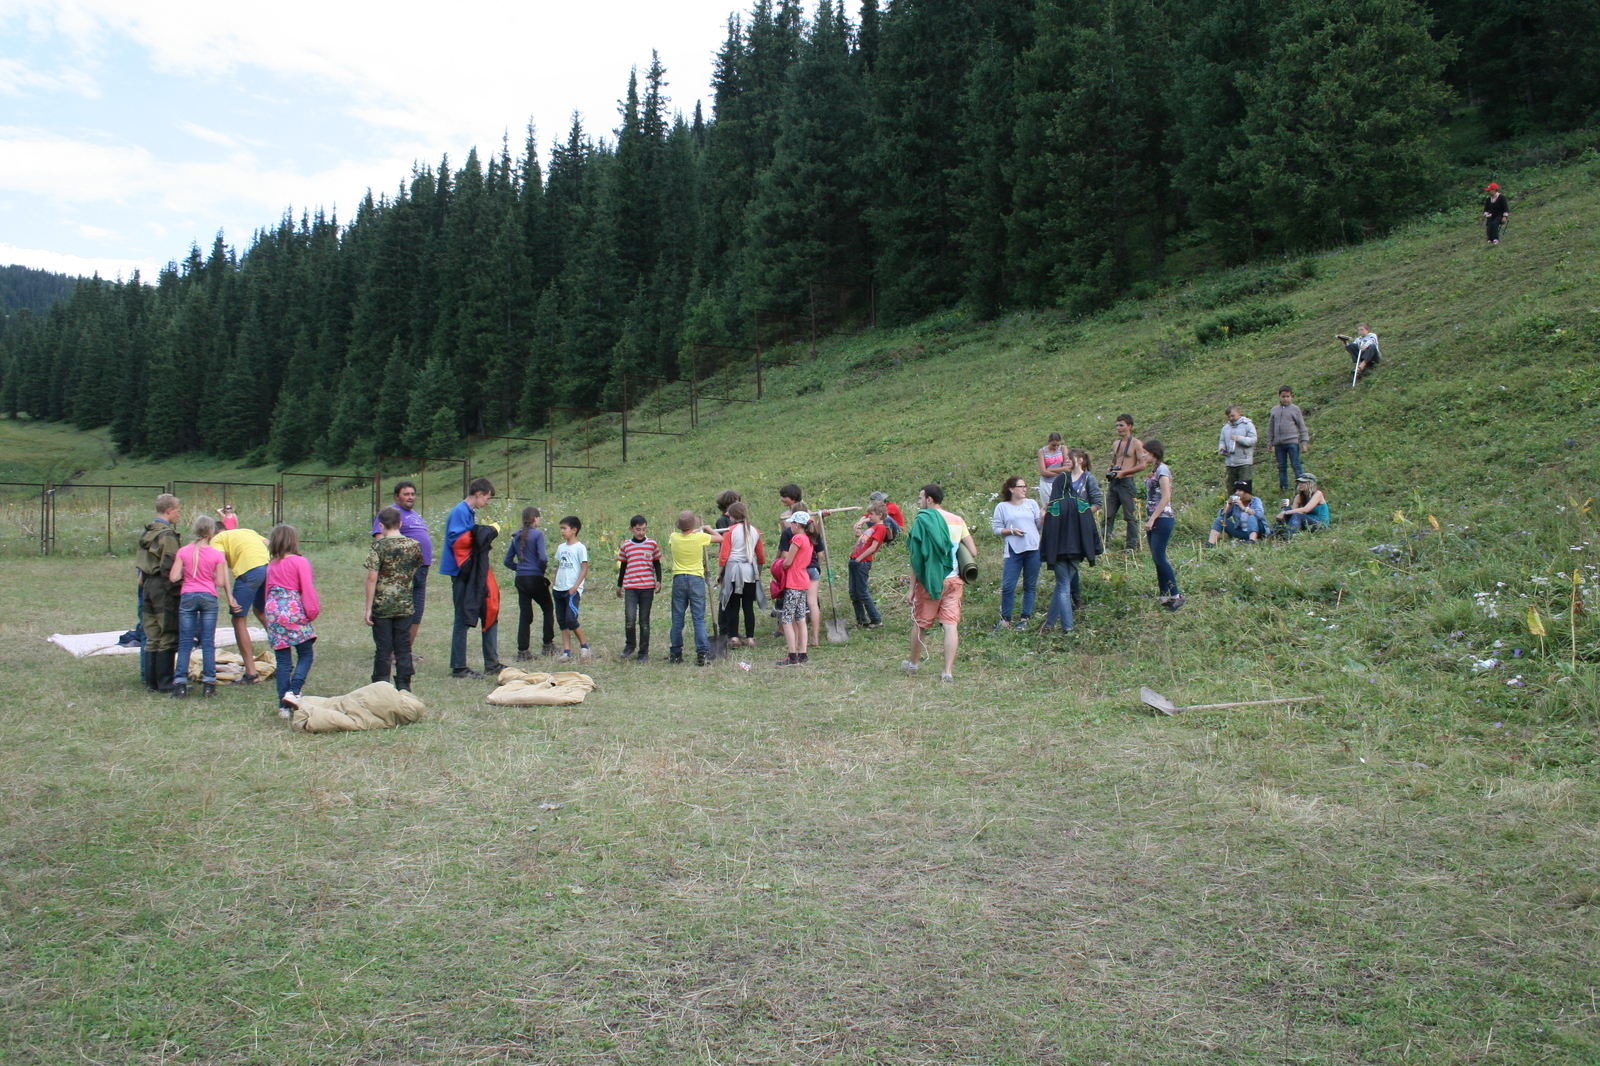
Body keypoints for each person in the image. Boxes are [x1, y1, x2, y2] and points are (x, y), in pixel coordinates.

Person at [903, 484, 977, 681]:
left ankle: (913, 666)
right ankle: (947, 672)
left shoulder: (922, 520)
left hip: (930, 581)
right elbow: (973, 551)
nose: (919, 503)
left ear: (929, 500)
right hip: (954, 580)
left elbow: (917, 559)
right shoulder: (957, 520)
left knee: (920, 623)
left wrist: (911, 589)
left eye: (920, 498)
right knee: (950, 625)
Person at [167, 514, 238, 699]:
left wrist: (186, 571)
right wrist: (211, 575)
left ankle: (180, 683)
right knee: (208, 642)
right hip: (208, 596)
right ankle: (209, 684)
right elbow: (221, 581)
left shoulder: (183, 551)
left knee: (185, 642)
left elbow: (173, 577)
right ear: (211, 532)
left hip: (188, 595)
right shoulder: (216, 554)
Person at [373, 481, 434, 658]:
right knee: (400, 611)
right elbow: (380, 540)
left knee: (417, 610)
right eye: (406, 494)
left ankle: (405, 651)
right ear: (396, 496)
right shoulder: (389, 514)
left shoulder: (414, 514)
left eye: (413, 494)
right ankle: (391, 652)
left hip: (422, 568)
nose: (410, 497)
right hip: (404, 569)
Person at [365, 505, 423, 691]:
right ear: (400, 523)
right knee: (403, 646)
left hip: (382, 606)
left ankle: (381, 687)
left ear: (381, 526)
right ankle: (404, 686)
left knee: (383, 647)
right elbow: (414, 570)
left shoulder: (378, 546)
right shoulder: (413, 545)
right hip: (404, 604)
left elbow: (372, 577)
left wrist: (368, 608)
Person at [1038, 461, 1099, 634]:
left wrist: (1046, 554)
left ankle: (1068, 628)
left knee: (1063, 587)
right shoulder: (1081, 504)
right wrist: (1091, 550)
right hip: (1077, 552)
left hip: (1058, 553)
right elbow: (1090, 529)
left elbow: (1048, 534)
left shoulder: (1053, 506)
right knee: (1062, 586)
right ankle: (1049, 623)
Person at [443, 477, 496, 678]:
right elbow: (458, 541)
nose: (487, 503)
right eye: (487, 498)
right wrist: (483, 533)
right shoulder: (460, 511)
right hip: (461, 572)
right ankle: (458, 667)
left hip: (469, 571)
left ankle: (490, 663)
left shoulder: (468, 512)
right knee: (462, 617)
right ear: (478, 494)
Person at [265, 524, 319, 717]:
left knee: (283, 660)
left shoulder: (272, 564)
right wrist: (311, 612)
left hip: (273, 610)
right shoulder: (299, 562)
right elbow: (307, 588)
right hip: (293, 610)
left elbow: (268, 590)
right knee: (305, 653)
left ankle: (283, 706)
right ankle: (294, 691)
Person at [212, 522, 271, 684]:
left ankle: (251, 674)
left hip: (249, 571)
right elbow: (269, 544)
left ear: (213, 533)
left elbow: (220, 565)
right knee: (260, 611)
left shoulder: (217, 539)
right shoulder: (247, 530)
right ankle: (285, 660)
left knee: (238, 619)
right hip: (268, 568)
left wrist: (229, 595)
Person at [136, 494, 183, 693]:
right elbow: (170, 566)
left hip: (146, 584)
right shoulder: (167, 535)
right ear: (169, 510)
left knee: (152, 633)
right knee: (168, 632)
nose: (178, 515)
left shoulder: (148, 532)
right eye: (178, 511)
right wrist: (177, 591)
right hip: (162, 586)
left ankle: (150, 682)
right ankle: (165, 682)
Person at [667, 510, 724, 666]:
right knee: (698, 618)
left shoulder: (674, 537)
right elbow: (720, 539)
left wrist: (695, 531)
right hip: (696, 579)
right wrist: (707, 528)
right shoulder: (700, 537)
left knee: (677, 619)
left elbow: (685, 534)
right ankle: (702, 654)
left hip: (679, 579)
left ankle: (676, 654)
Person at [991, 476, 1042, 632]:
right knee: (1008, 586)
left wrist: (1045, 516)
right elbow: (996, 529)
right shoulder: (1002, 507)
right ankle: (1006, 619)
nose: (1024, 489)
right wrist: (1012, 531)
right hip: (1014, 549)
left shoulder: (1032, 504)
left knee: (1029, 585)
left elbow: (1038, 525)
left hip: (1033, 548)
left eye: (1026, 486)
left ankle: (1025, 618)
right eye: (1021, 486)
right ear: (1012, 489)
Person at [504, 506, 555, 661]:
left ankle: (523, 650)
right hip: (534, 577)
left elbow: (507, 561)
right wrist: (541, 571)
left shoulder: (516, 536)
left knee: (525, 614)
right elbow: (543, 558)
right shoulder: (538, 535)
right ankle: (547, 644)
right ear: (535, 519)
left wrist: (518, 568)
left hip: (521, 578)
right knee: (547, 608)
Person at [1142, 440, 1183, 611]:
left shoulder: (1163, 470)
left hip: (1163, 518)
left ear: (1153, 453)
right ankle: (1164, 594)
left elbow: (1166, 497)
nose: (1142, 455)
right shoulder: (1153, 471)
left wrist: (1153, 519)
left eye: (1145, 452)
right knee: (1156, 557)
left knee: (1160, 557)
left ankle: (1176, 594)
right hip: (1153, 518)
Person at [718, 501, 765, 646]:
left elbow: (724, 555)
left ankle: (734, 637)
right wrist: (758, 573)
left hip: (733, 571)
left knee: (733, 606)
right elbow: (761, 557)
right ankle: (750, 638)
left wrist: (719, 573)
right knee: (748, 607)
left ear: (731, 516)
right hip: (749, 571)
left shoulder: (729, 531)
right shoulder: (755, 531)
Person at [616, 514, 662, 661]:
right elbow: (623, 565)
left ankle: (643, 651)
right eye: (638, 529)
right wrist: (619, 585)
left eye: (643, 529)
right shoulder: (626, 545)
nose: (641, 532)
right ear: (631, 529)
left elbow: (657, 563)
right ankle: (630, 645)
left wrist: (659, 580)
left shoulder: (652, 544)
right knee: (629, 619)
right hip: (631, 587)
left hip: (647, 587)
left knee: (644, 620)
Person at [1066, 448, 1104, 610]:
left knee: (1074, 560)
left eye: (1069, 458)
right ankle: (1071, 597)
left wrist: (1082, 513)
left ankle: (1076, 598)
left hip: (1081, 526)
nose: (1066, 461)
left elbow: (1097, 502)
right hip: (1065, 526)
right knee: (1067, 559)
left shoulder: (1088, 478)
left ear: (1080, 460)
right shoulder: (1063, 478)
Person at [774, 510, 814, 666]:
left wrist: (779, 567)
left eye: (791, 523)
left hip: (793, 581)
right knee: (801, 617)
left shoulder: (797, 538)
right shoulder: (809, 539)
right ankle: (802, 654)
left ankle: (791, 654)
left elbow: (787, 561)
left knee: (786, 619)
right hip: (803, 579)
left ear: (797, 524)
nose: (790, 525)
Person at [1103, 415, 1148, 552]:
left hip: (1127, 482)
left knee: (1130, 516)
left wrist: (1125, 472)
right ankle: (1103, 543)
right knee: (1108, 514)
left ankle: (1131, 546)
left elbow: (1143, 464)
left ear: (1129, 426)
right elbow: (1115, 461)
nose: (1118, 428)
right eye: (1117, 425)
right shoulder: (1116, 444)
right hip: (1115, 482)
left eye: (1121, 425)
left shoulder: (1136, 443)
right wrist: (1112, 469)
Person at [551, 516, 591, 663]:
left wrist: (575, 587)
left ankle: (584, 647)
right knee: (562, 621)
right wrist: (554, 583)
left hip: (571, 590)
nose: (562, 531)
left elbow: (584, 569)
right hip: (558, 589)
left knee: (571, 619)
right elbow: (559, 566)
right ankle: (567, 651)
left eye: (564, 528)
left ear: (574, 530)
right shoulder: (561, 548)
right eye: (561, 528)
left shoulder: (580, 548)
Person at [847, 501, 888, 629]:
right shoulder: (872, 528)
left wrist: (859, 558)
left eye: (872, 514)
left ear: (880, 515)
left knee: (862, 592)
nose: (869, 517)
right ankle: (861, 620)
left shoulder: (880, 528)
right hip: (855, 561)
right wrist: (858, 531)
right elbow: (864, 541)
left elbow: (873, 547)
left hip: (862, 562)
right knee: (854, 593)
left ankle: (876, 620)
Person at [1267, 387, 1310, 492]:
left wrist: (1304, 441)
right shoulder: (1274, 410)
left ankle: (1301, 486)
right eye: (1283, 396)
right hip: (1279, 444)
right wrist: (1269, 442)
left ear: (1291, 397)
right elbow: (1271, 427)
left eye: (1288, 396)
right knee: (1282, 466)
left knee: (1296, 464)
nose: (1285, 399)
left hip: (1292, 442)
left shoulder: (1295, 409)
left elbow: (1302, 426)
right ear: (1279, 397)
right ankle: (1283, 487)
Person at [1217, 405, 1257, 494]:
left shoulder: (1248, 425)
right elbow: (1222, 441)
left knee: (1244, 487)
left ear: (1239, 412)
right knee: (1231, 487)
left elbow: (1253, 440)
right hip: (1230, 463)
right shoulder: (1225, 428)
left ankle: (1246, 506)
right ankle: (1232, 505)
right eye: (1229, 417)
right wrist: (1222, 449)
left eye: (1233, 415)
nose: (1231, 418)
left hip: (1244, 462)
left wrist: (1239, 439)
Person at [1037, 432, 1067, 506]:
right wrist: (1059, 472)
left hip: (1060, 482)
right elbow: (1043, 472)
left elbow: (1066, 468)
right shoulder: (1042, 451)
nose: (1056, 447)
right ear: (1049, 442)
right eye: (1053, 445)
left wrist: (1050, 470)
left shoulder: (1063, 448)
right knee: (1048, 506)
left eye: (1058, 445)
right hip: (1046, 482)